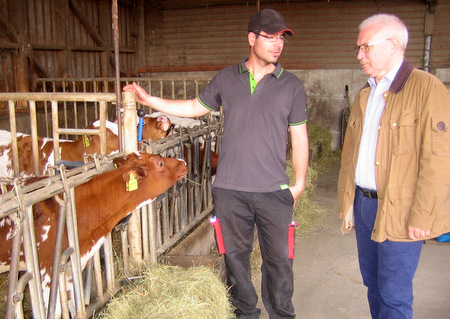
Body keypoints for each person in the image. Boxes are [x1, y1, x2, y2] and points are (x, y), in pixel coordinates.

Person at [124, 8, 308, 319]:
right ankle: (245, 313)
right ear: (252, 39)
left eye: (281, 39)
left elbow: (300, 136)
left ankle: (281, 314)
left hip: (274, 191)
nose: (277, 44)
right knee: (235, 258)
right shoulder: (226, 78)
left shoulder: (291, 85)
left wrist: (299, 183)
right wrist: (151, 101)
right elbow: (195, 107)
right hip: (230, 189)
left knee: (280, 261)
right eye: (270, 37)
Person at [338, 13, 450, 319]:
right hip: (364, 204)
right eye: (358, 48)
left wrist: (424, 214)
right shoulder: (366, 93)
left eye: (365, 47)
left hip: (401, 208)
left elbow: (439, 160)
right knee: (373, 285)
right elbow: (351, 155)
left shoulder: (427, 88)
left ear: (392, 44)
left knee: (394, 294)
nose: (359, 54)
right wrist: (347, 200)